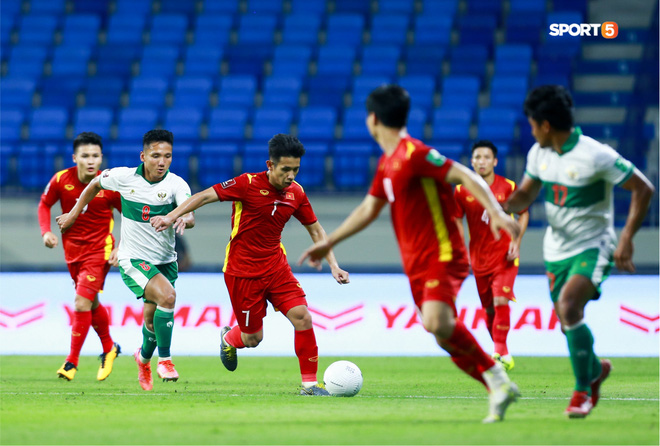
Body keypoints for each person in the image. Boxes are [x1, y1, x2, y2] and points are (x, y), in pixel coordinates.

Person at [298, 85, 521, 422]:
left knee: (435, 321)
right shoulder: (387, 163)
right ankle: (497, 382)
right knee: (441, 333)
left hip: (442, 254)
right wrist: (332, 242)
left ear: (373, 119)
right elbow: (369, 209)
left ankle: (497, 375)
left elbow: (463, 174)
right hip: (416, 263)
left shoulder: (415, 153)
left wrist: (499, 212)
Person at [151, 133, 350, 396]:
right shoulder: (246, 184)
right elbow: (203, 196)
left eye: (296, 170)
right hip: (242, 272)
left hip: (277, 268)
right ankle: (228, 338)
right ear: (270, 165)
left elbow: (316, 229)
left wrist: (334, 264)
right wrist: (172, 215)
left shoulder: (296, 193)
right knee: (253, 339)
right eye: (285, 170)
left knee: (303, 317)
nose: (291, 176)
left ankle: (310, 385)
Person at [503, 85, 654, 418]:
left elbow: (643, 188)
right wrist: (496, 204)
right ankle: (596, 370)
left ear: (545, 124)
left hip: (594, 245)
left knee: (569, 306)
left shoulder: (595, 154)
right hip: (556, 250)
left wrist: (627, 237)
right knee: (566, 321)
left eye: (531, 123)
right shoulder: (538, 153)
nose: (530, 129)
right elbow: (525, 197)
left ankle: (582, 391)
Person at [57, 130, 195, 391]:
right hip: (133, 258)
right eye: (155, 156)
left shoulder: (176, 184)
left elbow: (190, 216)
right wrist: (75, 213)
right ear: (143, 156)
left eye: (167, 156)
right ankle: (164, 360)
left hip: (165, 261)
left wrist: (180, 218)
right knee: (168, 296)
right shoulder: (122, 177)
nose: (162, 162)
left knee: (152, 320)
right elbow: (94, 184)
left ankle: (142, 359)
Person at [38, 132, 122, 382]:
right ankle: (110, 348)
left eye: (95, 156)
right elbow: (44, 204)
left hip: (100, 251)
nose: (90, 160)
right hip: (73, 253)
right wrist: (46, 232)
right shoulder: (61, 180)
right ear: (75, 158)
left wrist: (123, 246)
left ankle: (71, 362)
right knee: (91, 303)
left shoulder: (108, 184)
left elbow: (128, 215)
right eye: (85, 156)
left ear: (101, 158)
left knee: (81, 303)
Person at [454, 140, 529, 371]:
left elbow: (523, 213)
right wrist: (462, 250)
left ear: (495, 161)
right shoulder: (460, 190)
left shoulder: (508, 186)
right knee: (489, 309)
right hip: (479, 258)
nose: (481, 161)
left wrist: (516, 241)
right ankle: (499, 349)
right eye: (477, 157)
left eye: (486, 157)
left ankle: (500, 351)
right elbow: (456, 218)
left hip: (505, 255)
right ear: (472, 161)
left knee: (500, 300)